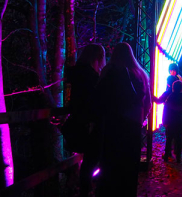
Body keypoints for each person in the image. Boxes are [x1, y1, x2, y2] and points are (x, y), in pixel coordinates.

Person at [95, 43, 151, 196]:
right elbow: (148, 103)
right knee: (130, 165)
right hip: (133, 125)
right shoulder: (141, 74)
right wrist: (140, 118)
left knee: (110, 164)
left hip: (113, 124)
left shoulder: (109, 71)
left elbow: (99, 98)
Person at [65, 44, 105, 197]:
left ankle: (85, 190)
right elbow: (95, 101)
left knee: (88, 162)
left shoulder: (76, 74)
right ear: (97, 58)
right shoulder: (92, 77)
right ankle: (90, 190)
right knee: (93, 159)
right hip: (92, 124)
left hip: (79, 121)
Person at [153, 80, 182, 163]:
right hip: (180, 121)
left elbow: (162, 106)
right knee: (178, 138)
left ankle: (167, 155)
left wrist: (164, 121)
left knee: (169, 138)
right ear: (181, 88)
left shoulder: (169, 96)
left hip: (170, 120)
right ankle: (178, 157)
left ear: (172, 88)